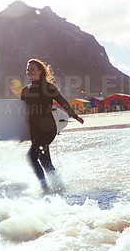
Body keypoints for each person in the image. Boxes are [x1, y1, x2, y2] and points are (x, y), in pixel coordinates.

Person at [21, 59, 84, 191]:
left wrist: (75, 116)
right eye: (28, 69)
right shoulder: (25, 90)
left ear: (40, 71)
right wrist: (20, 132)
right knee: (45, 162)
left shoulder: (49, 87)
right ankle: (59, 186)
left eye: (32, 69)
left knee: (31, 157)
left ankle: (44, 188)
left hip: (48, 129)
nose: (29, 71)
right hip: (34, 130)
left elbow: (62, 102)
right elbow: (22, 113)